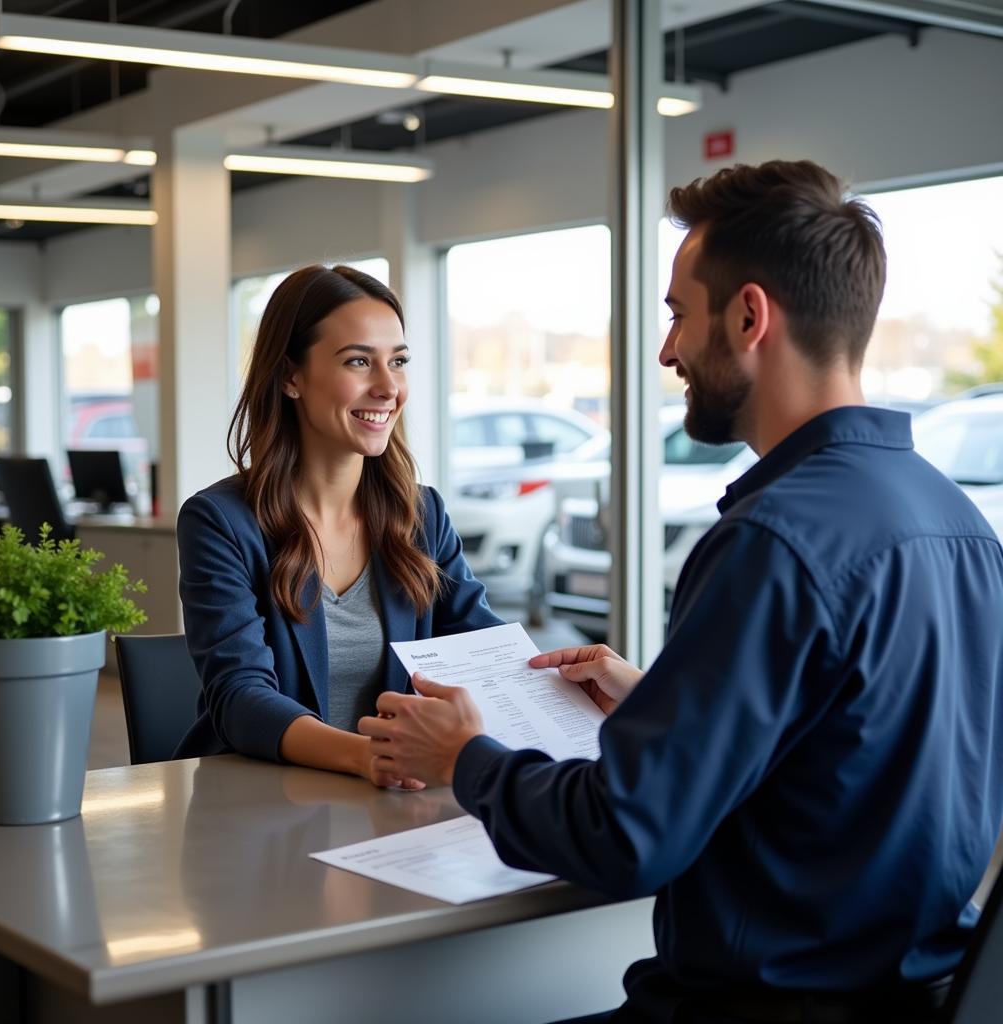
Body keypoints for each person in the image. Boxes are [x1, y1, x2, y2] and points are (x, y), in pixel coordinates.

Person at [360, 160, 1003, 1022]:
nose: (666, 352)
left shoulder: (772, 542)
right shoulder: (958, 522)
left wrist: (465, 759)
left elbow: (623, 837)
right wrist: (666, 705)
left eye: (676, 315)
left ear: (748, 316)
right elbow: (863, 754)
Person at [176, 264, 500, 787]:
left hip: (390, 798)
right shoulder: (221, 522)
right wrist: (372, 756)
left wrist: (575, 681)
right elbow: (240, 698)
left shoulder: (421, 515)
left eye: (398, 361)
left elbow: (484, 652)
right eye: (358, 361)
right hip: (264, 806)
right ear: (290, 377)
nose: (388, 387)